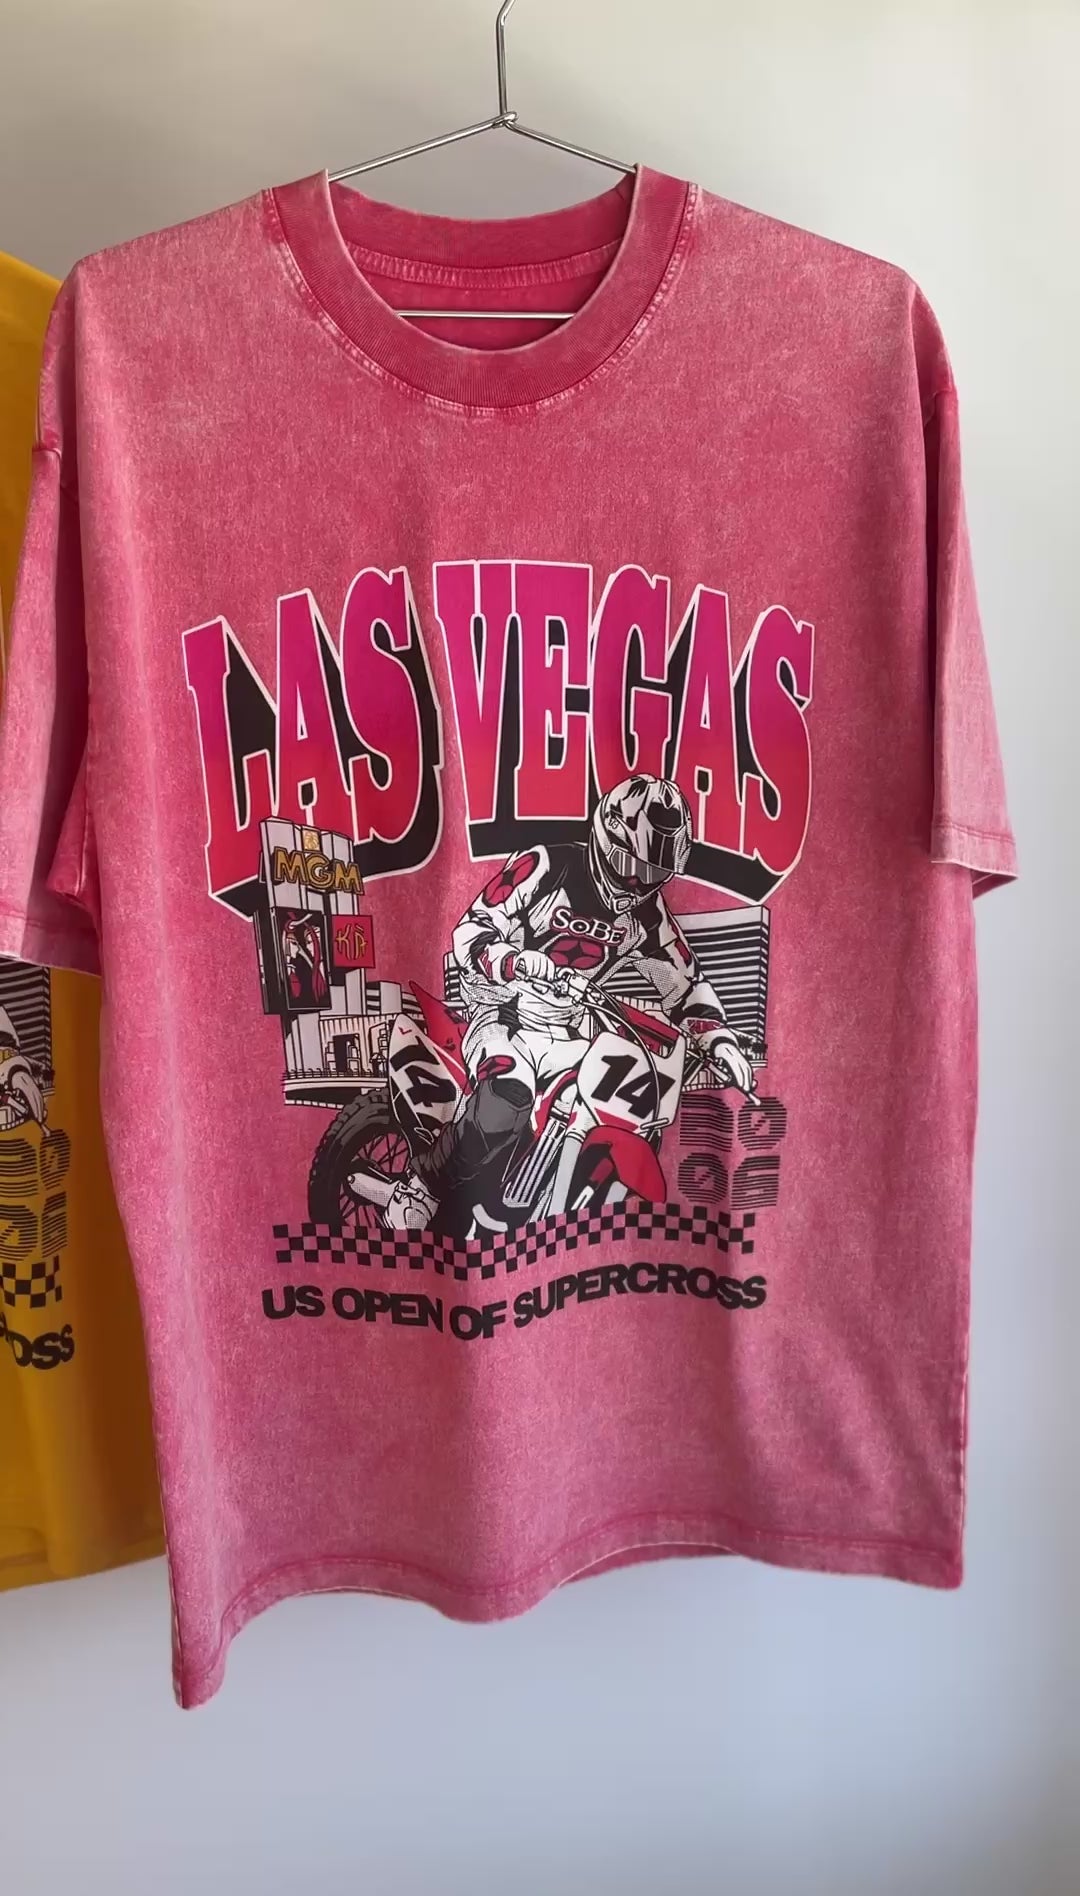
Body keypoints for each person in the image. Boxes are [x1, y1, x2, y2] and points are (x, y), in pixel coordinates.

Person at [385, 776, 755, 1229]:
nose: (637, 881)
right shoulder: (545, 866)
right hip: (502, 1008)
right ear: (605, 835)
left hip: (570, 1023)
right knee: (509, 1096)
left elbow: (685, 982)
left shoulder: (648, 915)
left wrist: (720, 1040)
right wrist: (514, 961)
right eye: (629, 863)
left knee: (609, 1104)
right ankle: (421, 1186)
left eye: (654, 873)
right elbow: (473, 928)